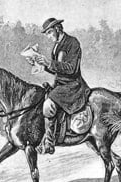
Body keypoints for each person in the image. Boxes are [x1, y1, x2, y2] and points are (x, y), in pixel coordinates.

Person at [32, 18, 90, 155]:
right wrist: (43, 65)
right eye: (46, 34)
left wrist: (49, 63)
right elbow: (57, 70)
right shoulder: (57, 45)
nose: (48, 36)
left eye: (50, 32)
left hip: (73, 86)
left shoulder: (72, 43)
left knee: (48, 106)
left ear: (58, 29)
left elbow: (72, 69)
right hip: (61, 85)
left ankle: (49, 143)